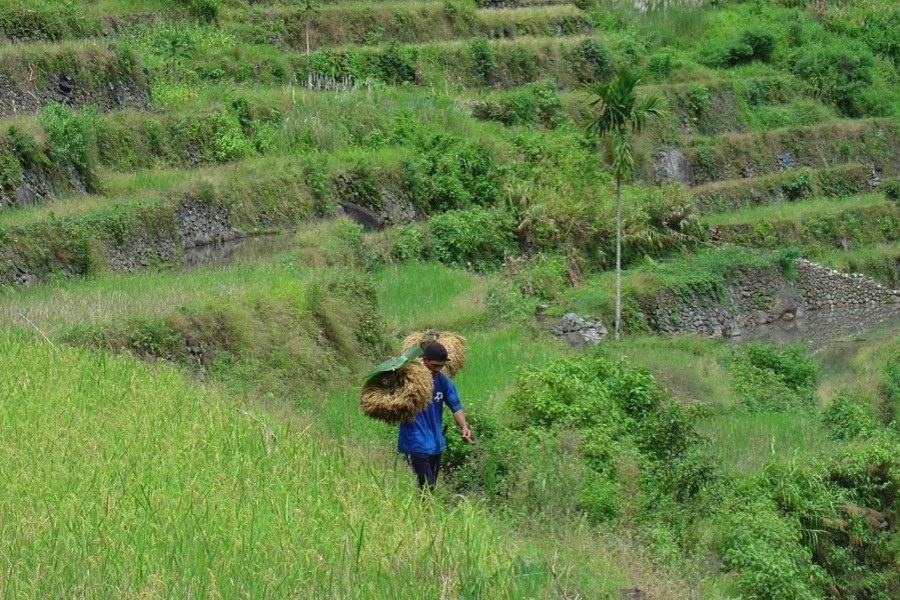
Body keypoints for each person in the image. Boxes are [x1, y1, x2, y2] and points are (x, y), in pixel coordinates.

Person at [397, 341, 472, 491]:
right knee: (427, 487)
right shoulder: (410, 381)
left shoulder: (443, 382)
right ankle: (426, 513)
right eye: (434, 365)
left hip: (436, 444)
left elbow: (455, 406)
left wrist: (464, 426)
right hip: (415, 443)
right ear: (424, 360)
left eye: (441, 366)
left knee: (429, 488)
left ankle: (422, 514)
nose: (437, 369)